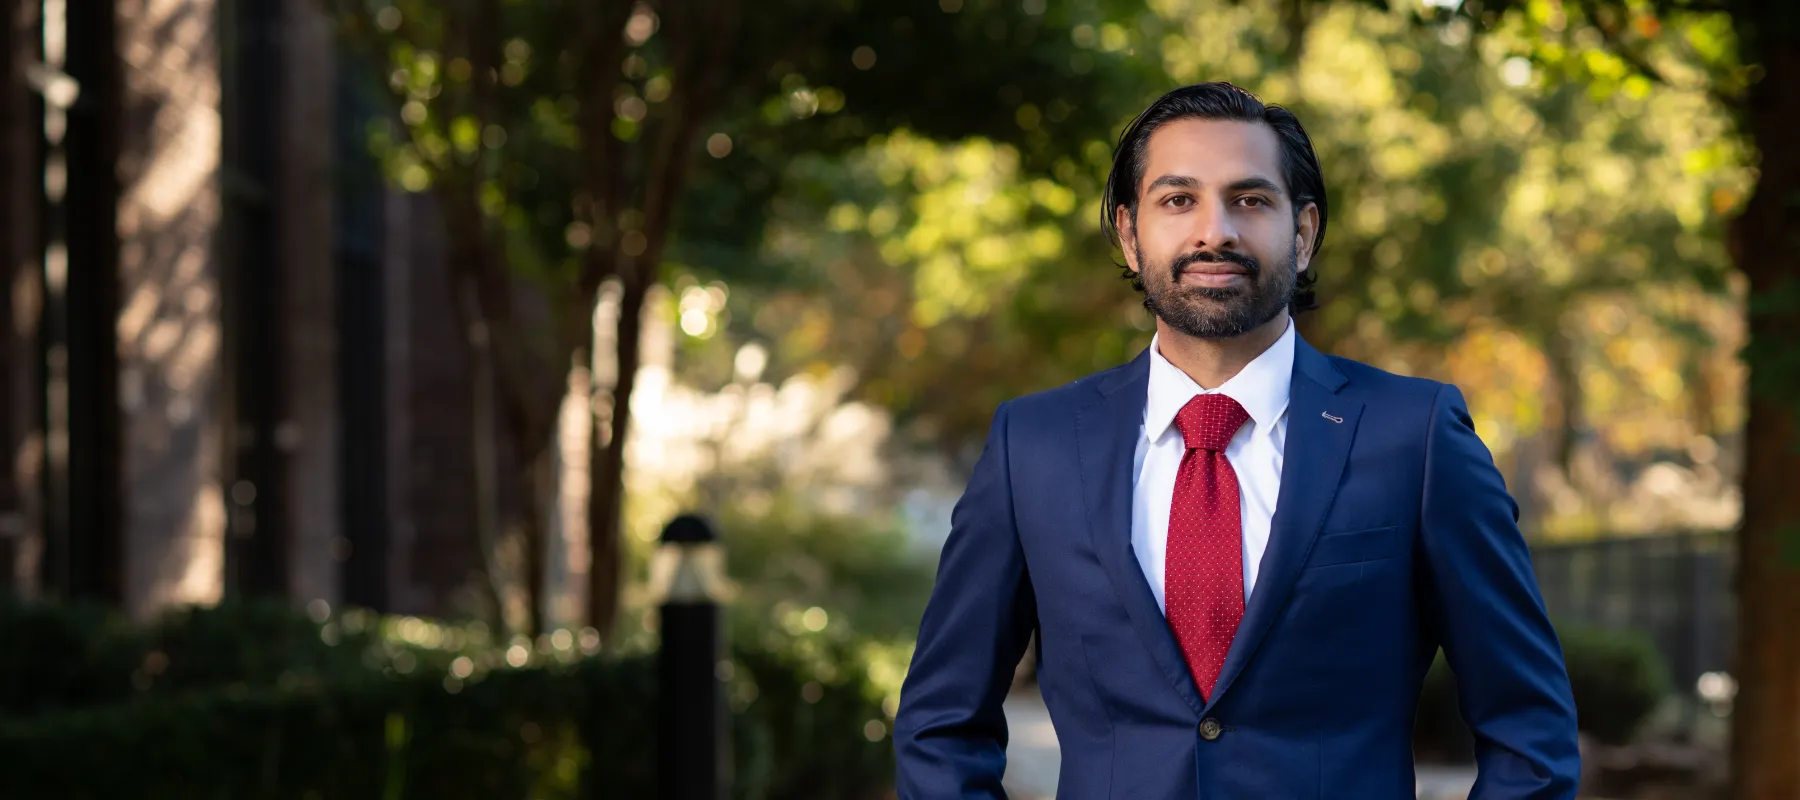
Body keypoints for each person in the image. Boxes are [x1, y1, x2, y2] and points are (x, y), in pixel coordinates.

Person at [892, 82, 1581, 799]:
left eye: (1250, 200)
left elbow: (1530, 731)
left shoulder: (1418, 436)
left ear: (1304, 232)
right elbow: (942, 723)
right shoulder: (1031, 447)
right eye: (1177, 200)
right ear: (1130, 234)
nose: (1213, 231)